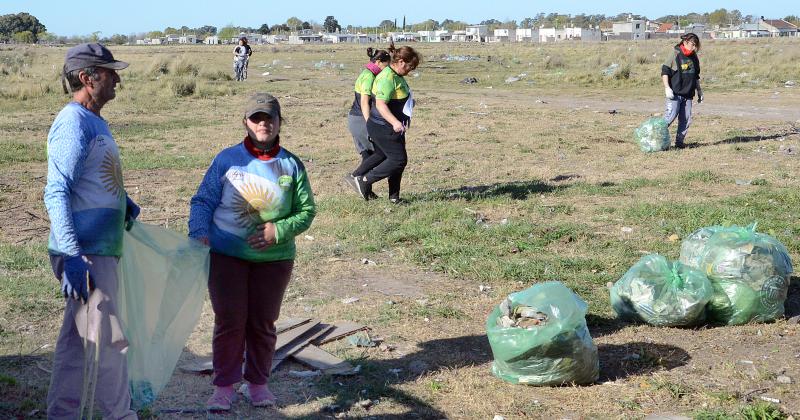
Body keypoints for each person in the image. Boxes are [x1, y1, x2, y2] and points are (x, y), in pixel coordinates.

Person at [188, 93, 316, 410]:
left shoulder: (291, 164)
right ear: (245, 122)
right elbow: (202, 201)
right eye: (256, 118)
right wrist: (199, 232)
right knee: (230, 321)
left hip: (274, 261)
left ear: (279, 122)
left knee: (262, 322)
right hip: (226, 257)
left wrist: (279, 230)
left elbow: (307, 211)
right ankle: (224, 386)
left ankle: (258, 383)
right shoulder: (227, 160)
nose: (263, 123)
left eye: (269, 117)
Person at [44, 43, 140, 419]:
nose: (117, 78)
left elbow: (91, 179)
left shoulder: (94, 121)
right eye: (110, 72)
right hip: (85, 253)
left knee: (79, 340)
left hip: (98, 249)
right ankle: (120, 414)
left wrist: (123, 200)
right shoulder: (73, 122)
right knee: (109, 340)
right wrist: (72, 255)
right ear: (88, 78)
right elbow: (56, 190)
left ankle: (63, 413)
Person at [353, 45, 420, 203]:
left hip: (391, 126)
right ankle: (364, 180)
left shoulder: (397, 75)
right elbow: (381, 104)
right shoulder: (387, 77)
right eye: (410, 67)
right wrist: (395, 122)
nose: (411, 71)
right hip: (383, 126)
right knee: (398, 160)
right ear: (401, 62)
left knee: (387, 157)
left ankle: (394, 197)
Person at [344, 47, 391, 199]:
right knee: (382, 152)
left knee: (368, 155)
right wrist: (370, 124)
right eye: (386, 65)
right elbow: (365, 103)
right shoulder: (369, 76)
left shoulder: (368, 72)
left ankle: (366, 191)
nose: (387, 69)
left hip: (356, 118)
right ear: (378, 62)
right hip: (360, 120)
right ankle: (355, 176)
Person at [661, 32, 702, 149]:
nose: (694, 47)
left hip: (688, 94)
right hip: (674, 93)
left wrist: (699, 91)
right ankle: (653, 136)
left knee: (686, 119)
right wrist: (667, 88)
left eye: (696, 45)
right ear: (685, 42)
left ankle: (679, 143)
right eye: (692, 44)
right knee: (670, 117)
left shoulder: (694, 57)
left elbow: (696, 75)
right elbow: (665, 71)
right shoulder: (675, 53)